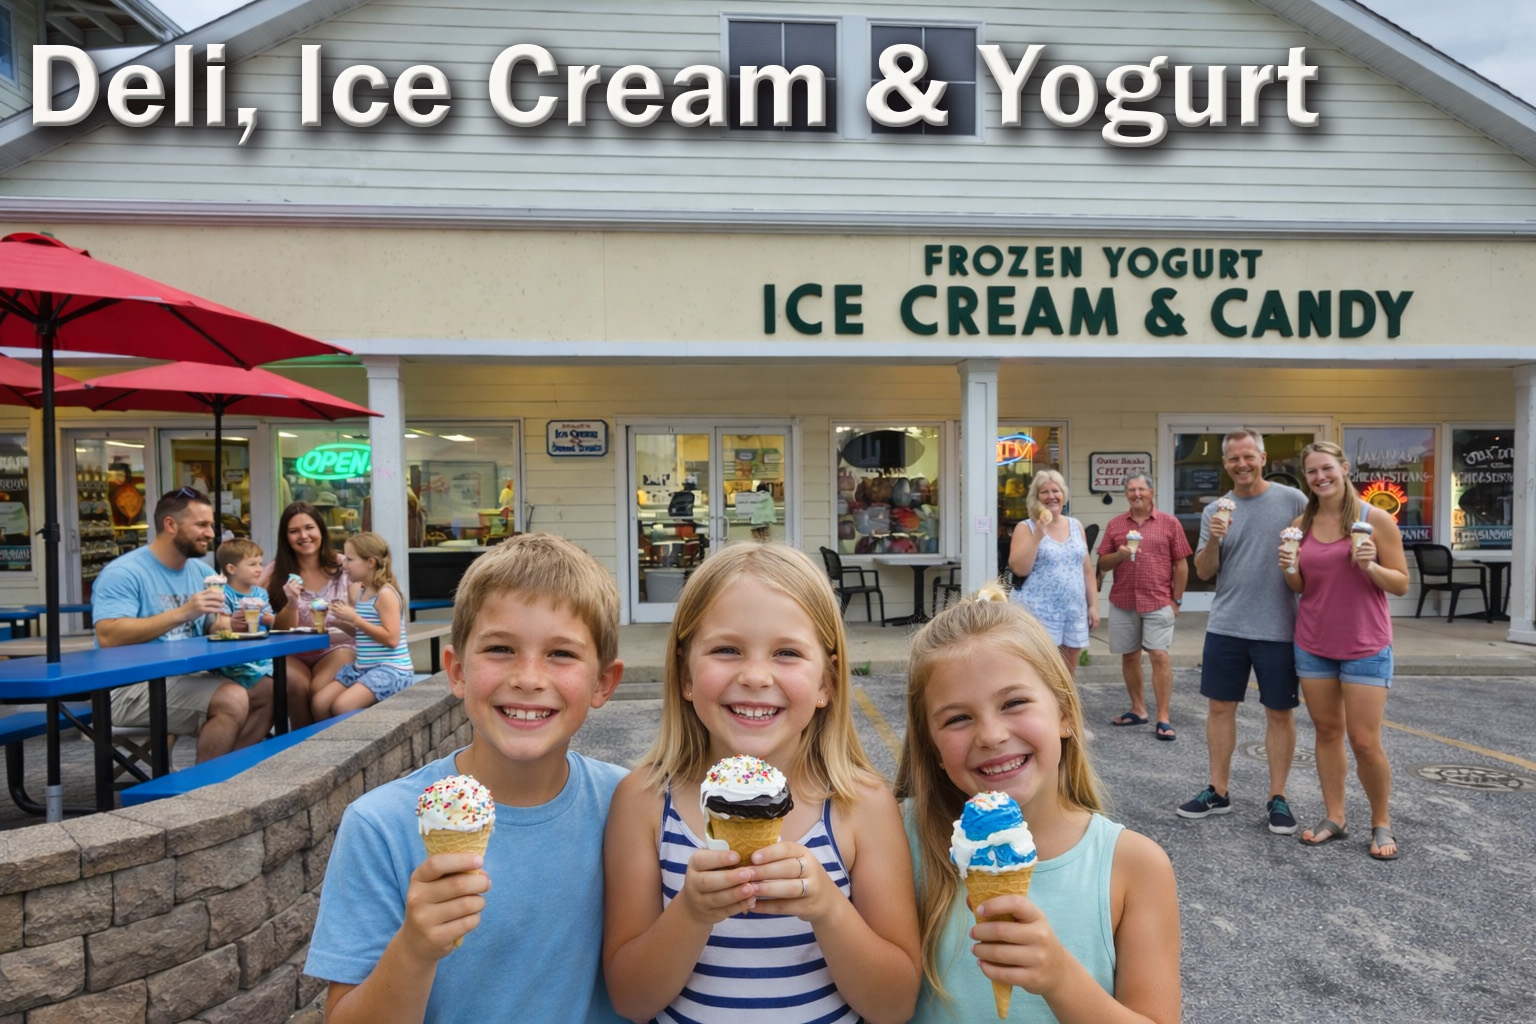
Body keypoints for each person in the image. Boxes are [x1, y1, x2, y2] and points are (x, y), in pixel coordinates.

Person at [305, 533, 628, 1024]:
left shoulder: (632, 808)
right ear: (456, 671)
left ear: (603, 682)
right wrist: (415, 947)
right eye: (500, 648)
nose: (528, 678)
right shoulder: (381, 826)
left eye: (561, 654)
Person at [603, 543, 921, 1024]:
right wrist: (690, 913)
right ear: (685, 673)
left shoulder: (862, 805)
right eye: (726, 650)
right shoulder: (644, 801)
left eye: (787, 653)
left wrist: (828, 910)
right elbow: (629, 999)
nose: (755, 676)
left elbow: (895, 1005)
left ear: (826, 683)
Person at [895, 586, 1180, 1024]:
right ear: (931, 745)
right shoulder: (898, 838)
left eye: (1014, 703)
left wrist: (1060, 978)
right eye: (957, 718)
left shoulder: (1134, 866)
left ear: (1064, 712)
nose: (990, 735)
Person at [1279, 441, 1409, 860]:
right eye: (1312, 472)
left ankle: (1381, 821)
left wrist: (1370, 565)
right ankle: (1335, 816)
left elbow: (1401, 583)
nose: (1320, 477)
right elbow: (1301, 587)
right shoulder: (1301, 523)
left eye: (1327, 469)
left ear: (1344, 468)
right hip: (1314, 642)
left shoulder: (1377, 520)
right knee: (1328, 732)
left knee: (1365, 740)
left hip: (1365, 643)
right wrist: (1290, 569)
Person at [1178, 429, 1309, 835]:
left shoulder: (1293, 501)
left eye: (1248, 456)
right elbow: (1203, 571)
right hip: (1227, 624)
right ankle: (1218, 790)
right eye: (1234, 459)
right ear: (1226, 464)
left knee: (1279, 712)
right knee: (1219, 708)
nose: (1242, 464)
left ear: (1263, 457)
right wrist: (1215, 538)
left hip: (1279, 626)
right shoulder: (1217, 509)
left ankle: (1278, 796)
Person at [92, 488, 271, 763]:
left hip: (189, 676)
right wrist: (184, 612)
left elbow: (214, 625)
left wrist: (231, 623)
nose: (211, 533)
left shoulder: (203, 572)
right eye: (202, 525)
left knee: (270, 690)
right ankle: (204, 792)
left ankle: (231, 776)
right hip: (130, 686)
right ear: (170, 525)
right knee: (231, 699)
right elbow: (109, 636)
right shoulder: (124, 573)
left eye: (211, 525)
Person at [1096, 473, 1192, 741]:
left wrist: (1178, 599)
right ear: (1126, 494)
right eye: (1131, 489)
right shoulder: (1116, 525)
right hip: (1124, 600)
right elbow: (1102, 564)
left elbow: (1181, 564)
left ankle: (1163, 716)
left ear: (1151, 492)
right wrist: (1119, 555)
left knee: (1159, 656)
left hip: (1158, 600)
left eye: (1141, 489)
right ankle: (1138, 709)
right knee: (1129, 656)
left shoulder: (1169, 523)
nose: (1136, 493)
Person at [264, 501, 355, 728]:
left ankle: (326, 748)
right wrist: (292, 604)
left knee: (319, 690)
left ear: (321, 530)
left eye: (309, 528)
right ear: (285, 537)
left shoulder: (345, 566)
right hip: (293, 650)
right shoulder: (276, 571)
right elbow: (280, 630)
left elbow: (367, 608)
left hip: (337, 646)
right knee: (296, 686)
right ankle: (302, 749)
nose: (303, 536)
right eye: (294, 531)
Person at [1008, 470, 1100, 680]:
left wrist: (1093, 605)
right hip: (1039, 612)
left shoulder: (1076, 526)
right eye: (1044, 492)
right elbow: (1020, 569)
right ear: (1036, 497)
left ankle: (1065, 712)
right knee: (1041, 673)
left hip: (1073, 611)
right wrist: (1039, 535)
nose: (1051, 496)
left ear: (1063, 494)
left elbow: (1086, 569)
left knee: (1068, 675)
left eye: (1055, 491)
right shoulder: (1027, 528)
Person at [315, 532, 416, 719]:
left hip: (391, 670)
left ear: (370, 562)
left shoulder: (385, 594)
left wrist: (355, 618)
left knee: (341, 706)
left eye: (350, 559)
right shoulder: (363, 592)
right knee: (319, 702)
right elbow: (363, 633)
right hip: (363, 667)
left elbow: (392, 639)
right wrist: (338, 621)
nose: (344, 565)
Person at [213, 537, 277, 692]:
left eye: (260, 563)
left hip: (261, 654)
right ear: (231, 569)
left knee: (285, 680)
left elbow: (270, 618)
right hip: (235, 659)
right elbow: (222, 626)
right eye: (252, 564)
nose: (260, 569)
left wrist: (270, 619)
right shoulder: (223, 593)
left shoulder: (260, 593)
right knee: (270, 688)